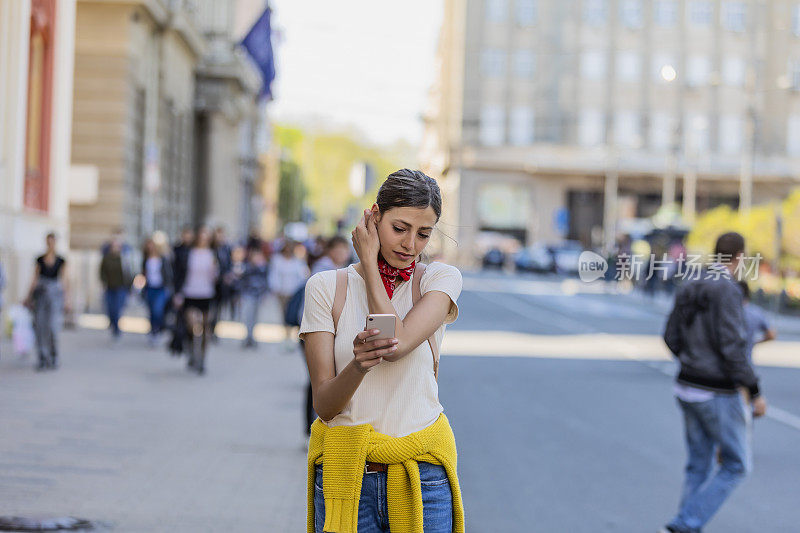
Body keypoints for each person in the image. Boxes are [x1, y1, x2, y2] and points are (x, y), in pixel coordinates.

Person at [300, 169, 465, 533]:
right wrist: (358, 365)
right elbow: (325, 405)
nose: (410, 244)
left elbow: (397, 343)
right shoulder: (327, 288)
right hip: (348, 476)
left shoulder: (438, 280)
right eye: (400, 228)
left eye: (423, 234)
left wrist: (371, 268)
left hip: (422, 479)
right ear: (374, 218)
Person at [661, 232, 768, 533]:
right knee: (736, 465)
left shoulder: (690, 284)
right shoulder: (729, 290)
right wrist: (755, 390)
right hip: (715, 392)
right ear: (740, 257)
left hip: (685, 386)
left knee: (698, 465)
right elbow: (733, 348)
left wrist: (691, 360)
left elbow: (670, 336)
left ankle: (684, 525)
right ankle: (683, 525)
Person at [173, 226, 218, 374]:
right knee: (192, 326)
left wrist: (216, 270)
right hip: (190, 293)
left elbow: (217, 276)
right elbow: (179, 273)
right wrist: (177, 293)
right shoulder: (188, 253)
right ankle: (192, 351)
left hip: (207, 294)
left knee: (206, 328)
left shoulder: (212, 254)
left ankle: (202, 359)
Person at [24, 233, 71, 370]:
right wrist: (28, 296)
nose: (50, 245)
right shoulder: (39, 259)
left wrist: (68, 299)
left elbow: (65, 280)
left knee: (52, 327)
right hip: (41, 296)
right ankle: (42, 357)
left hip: (55, 296)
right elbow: (34, 278)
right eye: (48, 242)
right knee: (39, 326)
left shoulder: (61, 260)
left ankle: (53, 356)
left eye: (53, 242)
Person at [269, 240, 309, 342]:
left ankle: (293, 332)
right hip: (281, 292)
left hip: (293, 291)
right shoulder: (277, 260)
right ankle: (286, 333)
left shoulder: (297, 262)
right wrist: (275, 288)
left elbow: (303, 275)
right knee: (284, 313)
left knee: (293, 312)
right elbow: (274, 274)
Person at [142, 237, 173, 346]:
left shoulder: (163, 258)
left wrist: (169, 288)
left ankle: (159, 329)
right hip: (150, 288)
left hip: (161, 288)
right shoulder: (146, 258)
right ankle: (153, 331)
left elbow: (168, 274)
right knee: (151, 311)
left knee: (158, 310)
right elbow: (143, 273)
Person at [100, 238, 133, 340]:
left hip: (121, 288)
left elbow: (129, 273)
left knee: (117, 309)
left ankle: (117, 330)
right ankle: (113, 325)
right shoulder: (106, 258)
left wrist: (130, 286)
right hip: (109, 287)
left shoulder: (124, 259)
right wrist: (104, 282)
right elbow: (102, 272)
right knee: (110, 309)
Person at [738, 281, 777, 364]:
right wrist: (753, 342)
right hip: (746, 363)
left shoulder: (727, 311)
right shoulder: (756, 312)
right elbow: (771, 335)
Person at [239, 246, 269, 349]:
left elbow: (266, 282)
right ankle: (248, 337)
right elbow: (242, 282)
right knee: (248, 316)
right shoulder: (247, 267)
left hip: (258, 295)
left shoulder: (263, 268)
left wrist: (265, 294)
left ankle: (252, 337)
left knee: (255, 317)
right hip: (248, 295)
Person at [211, 226, 233, 340]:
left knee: (218, 308)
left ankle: (213, 328)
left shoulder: (226, 248)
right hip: (210, 284)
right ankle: (209, 328)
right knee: (211, 308)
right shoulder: (211, 248)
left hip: (221, 284)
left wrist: (228, 275)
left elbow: (229, 264)